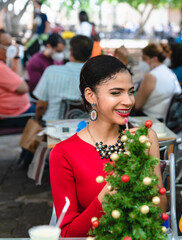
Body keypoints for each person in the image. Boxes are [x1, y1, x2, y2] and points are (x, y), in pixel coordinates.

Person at [49, 55, 167, 237]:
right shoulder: (64, 153)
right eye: (116, 93)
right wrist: (108, 194)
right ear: (90, 96)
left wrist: (141, 164)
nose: (128, 101)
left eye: (131, 91)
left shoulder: (144, 138)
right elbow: (68, 234)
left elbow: (159, 212)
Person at [33, 35, 93, 121]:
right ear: (90, 54)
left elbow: (41, 106)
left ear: (70, 52)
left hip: (52, 127)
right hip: (84, 129)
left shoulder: (51, 72)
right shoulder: (95, 75)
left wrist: (37, 120)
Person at [134, 43, 181, 121]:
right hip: (167, 118)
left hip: (151, 119)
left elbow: (137, 106)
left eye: (144, 58)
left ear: (154, 59)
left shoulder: (151, 76)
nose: (142, 61)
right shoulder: (169, 72)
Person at [0, 30, 34, 128]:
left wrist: (16, 57)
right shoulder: (1, 68)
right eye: (8, 44)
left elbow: (16, 78)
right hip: (14, 115)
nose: (11, 48)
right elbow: (23, 88)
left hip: (15, 112)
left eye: (12, 44)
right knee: (45, 114)